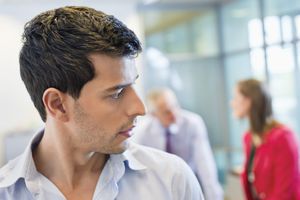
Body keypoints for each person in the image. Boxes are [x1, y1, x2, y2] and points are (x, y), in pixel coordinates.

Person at [0, 6, 204, 200]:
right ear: (58, 105)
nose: (140, 109)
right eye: (117, 93)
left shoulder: (171, 180)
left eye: (132, 85)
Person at [133, 88, 223, 200]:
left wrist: (214, 196)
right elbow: (138, 168)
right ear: (153, 115)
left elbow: (204, 163)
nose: (174, 114)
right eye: (167, 112)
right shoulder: (142, 132)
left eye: (175, 106)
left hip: (190, 180)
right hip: (158, 187)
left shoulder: (193, 123)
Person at [231, 78, 300, 200]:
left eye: (236, 98)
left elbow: (283, 193)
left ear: (248, 101)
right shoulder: (249, 138)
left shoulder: (283, 137)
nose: (232, 103)